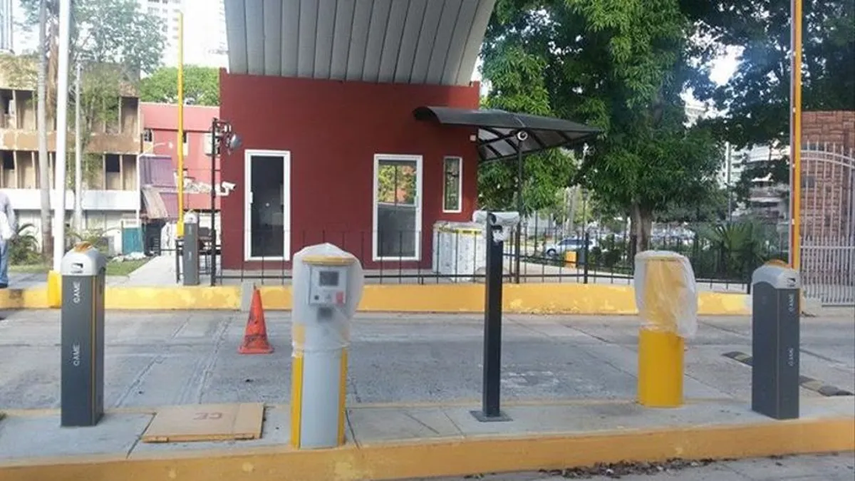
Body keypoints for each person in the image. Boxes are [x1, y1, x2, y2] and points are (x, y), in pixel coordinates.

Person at [0, 190, 17, 289]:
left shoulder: (3, 196)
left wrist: (12, 231)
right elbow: (11, 215)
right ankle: (2, 280)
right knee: (2, 256)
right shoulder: (3, 196)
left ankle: (2, 280)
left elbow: (11, 215)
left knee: (2, 256)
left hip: (2, 232)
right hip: (3, 232)